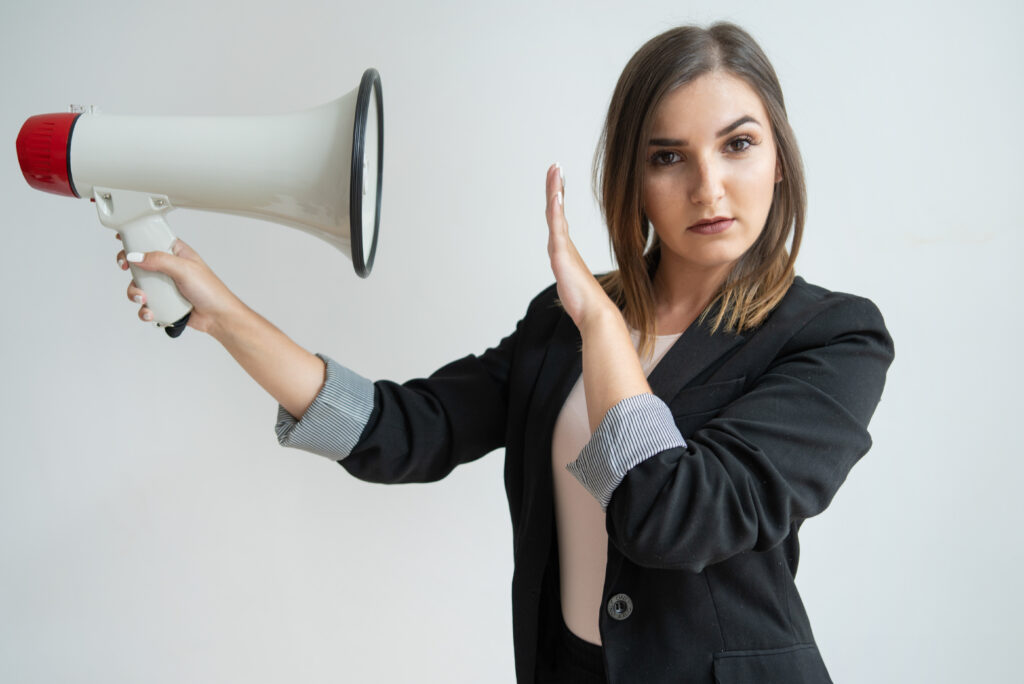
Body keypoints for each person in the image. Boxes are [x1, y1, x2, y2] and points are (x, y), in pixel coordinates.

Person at [117, 21, 894, 684]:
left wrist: (603, 332)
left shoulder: (833, 337)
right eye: (668, 157)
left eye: (738, 145)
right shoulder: (561, 319)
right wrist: (223, 315)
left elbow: (675, 518)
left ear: (779, 159)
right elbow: (406, 429)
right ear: (633, 177)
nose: (709, 188)